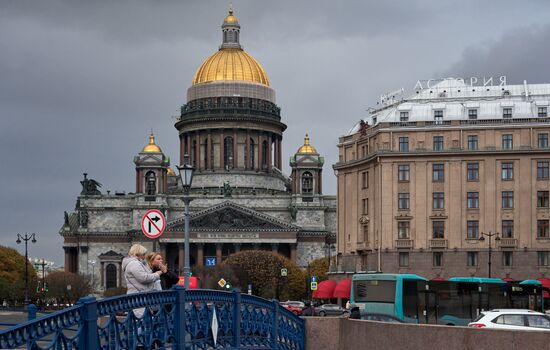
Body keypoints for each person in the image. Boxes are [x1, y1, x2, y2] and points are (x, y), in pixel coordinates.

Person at [122, 244, 162, 318]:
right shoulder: (134, 264)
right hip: (138, 297)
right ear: (138, 254)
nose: (144, 256)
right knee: (142, 321)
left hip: (140, 296)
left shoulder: (137, 263)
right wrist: (157, 274)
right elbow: (143, 278)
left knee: (144, 321)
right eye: (143, 254)